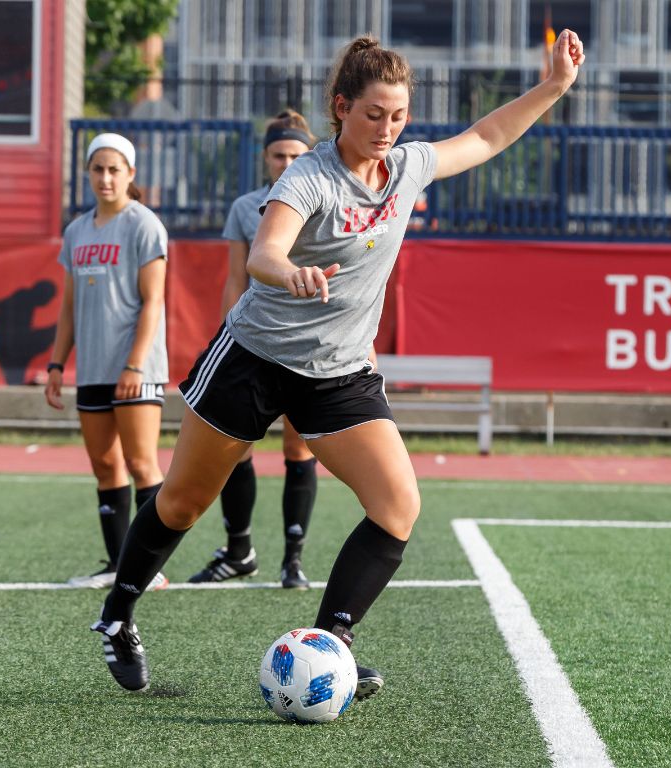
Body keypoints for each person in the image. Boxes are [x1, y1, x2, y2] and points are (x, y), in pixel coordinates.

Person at [89, 31, 585, 697]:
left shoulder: (406, 168)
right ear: (341, 107)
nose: (387, 129)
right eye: (374, 114)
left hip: (340, 371)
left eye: (399, 116)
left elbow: (488, 137)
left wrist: (553, 85)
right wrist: (287, 273)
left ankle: (330, 645)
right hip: (253, 359)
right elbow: (266, 252)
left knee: (397, 505)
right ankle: (117, 617)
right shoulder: (309, 175)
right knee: (180, 503)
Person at [187, 110, 319, 590]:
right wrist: (225, 335)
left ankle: (294, 560)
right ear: (265, 158)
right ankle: (240, 549)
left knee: (298, 445)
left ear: (311, 155)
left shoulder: (324, 200)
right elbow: (235, 280)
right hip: (256, 345)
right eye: (280, 155)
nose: (287, 163)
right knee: (234, 446)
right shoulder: (246, 208)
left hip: (309, 346)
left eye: (297, 155)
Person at [45, 133, 169, 592]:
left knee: (141, 462)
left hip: (136, 368)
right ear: (88, 174)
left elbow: (153, 301)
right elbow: (69, 306)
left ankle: (150, 566)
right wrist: (58, 363)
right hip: (93, 367)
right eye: (97, 169)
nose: (105, 177)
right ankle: (119, 565)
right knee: (104, 464)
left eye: (115, 169)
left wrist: (135, 366)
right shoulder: (76, 232)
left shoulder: (144, 224)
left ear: (130, 174)